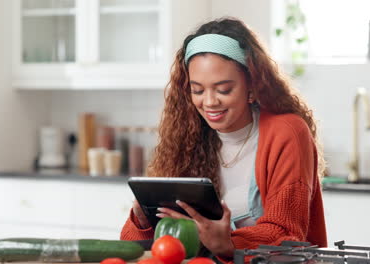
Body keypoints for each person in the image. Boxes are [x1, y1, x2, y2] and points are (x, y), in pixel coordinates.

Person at [120, 17, 327, 259]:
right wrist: (143, 221)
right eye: (197, 90)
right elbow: (139, 246)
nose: (208, 102)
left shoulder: (287, 132)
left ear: (252, 86)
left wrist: (228, 244)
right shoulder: (188, 135)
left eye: (223, 90)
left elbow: (287, 235)